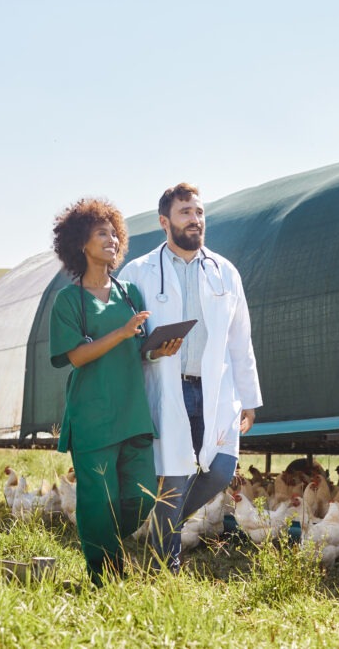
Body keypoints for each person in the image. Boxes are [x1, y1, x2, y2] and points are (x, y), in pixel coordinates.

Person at [121, 182, 263, 572]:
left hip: (216, 389)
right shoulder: (139, 272)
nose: (195, 220)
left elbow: (240, 339)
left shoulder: (225, 272)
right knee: (175, 477)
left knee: (219, 471)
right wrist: (150, 350)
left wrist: (249, 399)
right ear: (164, 221)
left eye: (199, 212)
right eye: (185, 212)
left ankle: (160, 530)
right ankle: (167, 563)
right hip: (169, 386)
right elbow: (126, 337)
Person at [48, 197, 178, 585]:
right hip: (92, 416)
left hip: (132, 412)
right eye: (100, 233)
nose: (111, 240)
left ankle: (102, 541)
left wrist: (158, 349)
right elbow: (76, 356)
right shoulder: (69, 300)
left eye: (113, 233)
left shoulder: (129, 294)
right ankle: (105, 579)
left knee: (140, 498)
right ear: (80, 244)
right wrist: (121, 332)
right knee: (98, 502)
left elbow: (137, 351)